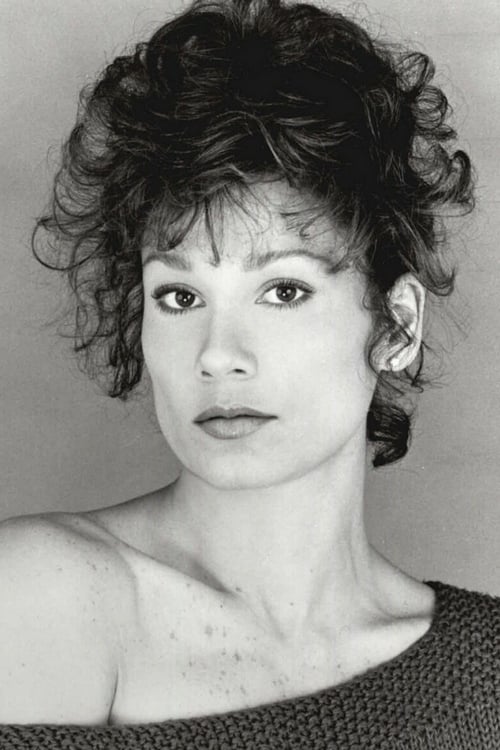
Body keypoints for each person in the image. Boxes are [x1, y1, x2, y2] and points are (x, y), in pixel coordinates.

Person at [1, 0, 498, 747]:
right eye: (179, 296)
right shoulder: (40, 596)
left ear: (397, 326)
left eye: (284, 291)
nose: (216, 352)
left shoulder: (484, 673)